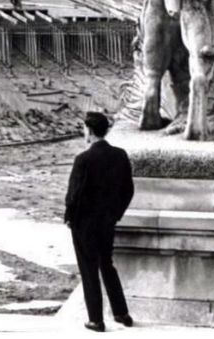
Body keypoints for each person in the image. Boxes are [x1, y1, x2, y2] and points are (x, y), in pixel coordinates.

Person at [64, 112, 135, 332]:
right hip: (107, 221)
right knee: (107, 265)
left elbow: (73, 196)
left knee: (89, 269)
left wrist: (70, 218)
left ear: (89, 130)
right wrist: (115, 214)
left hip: (85, 223)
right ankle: (121, 313)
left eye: (84, 129)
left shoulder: (83, 159)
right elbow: (128, 191)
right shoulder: (120, 155)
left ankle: (96, 319)